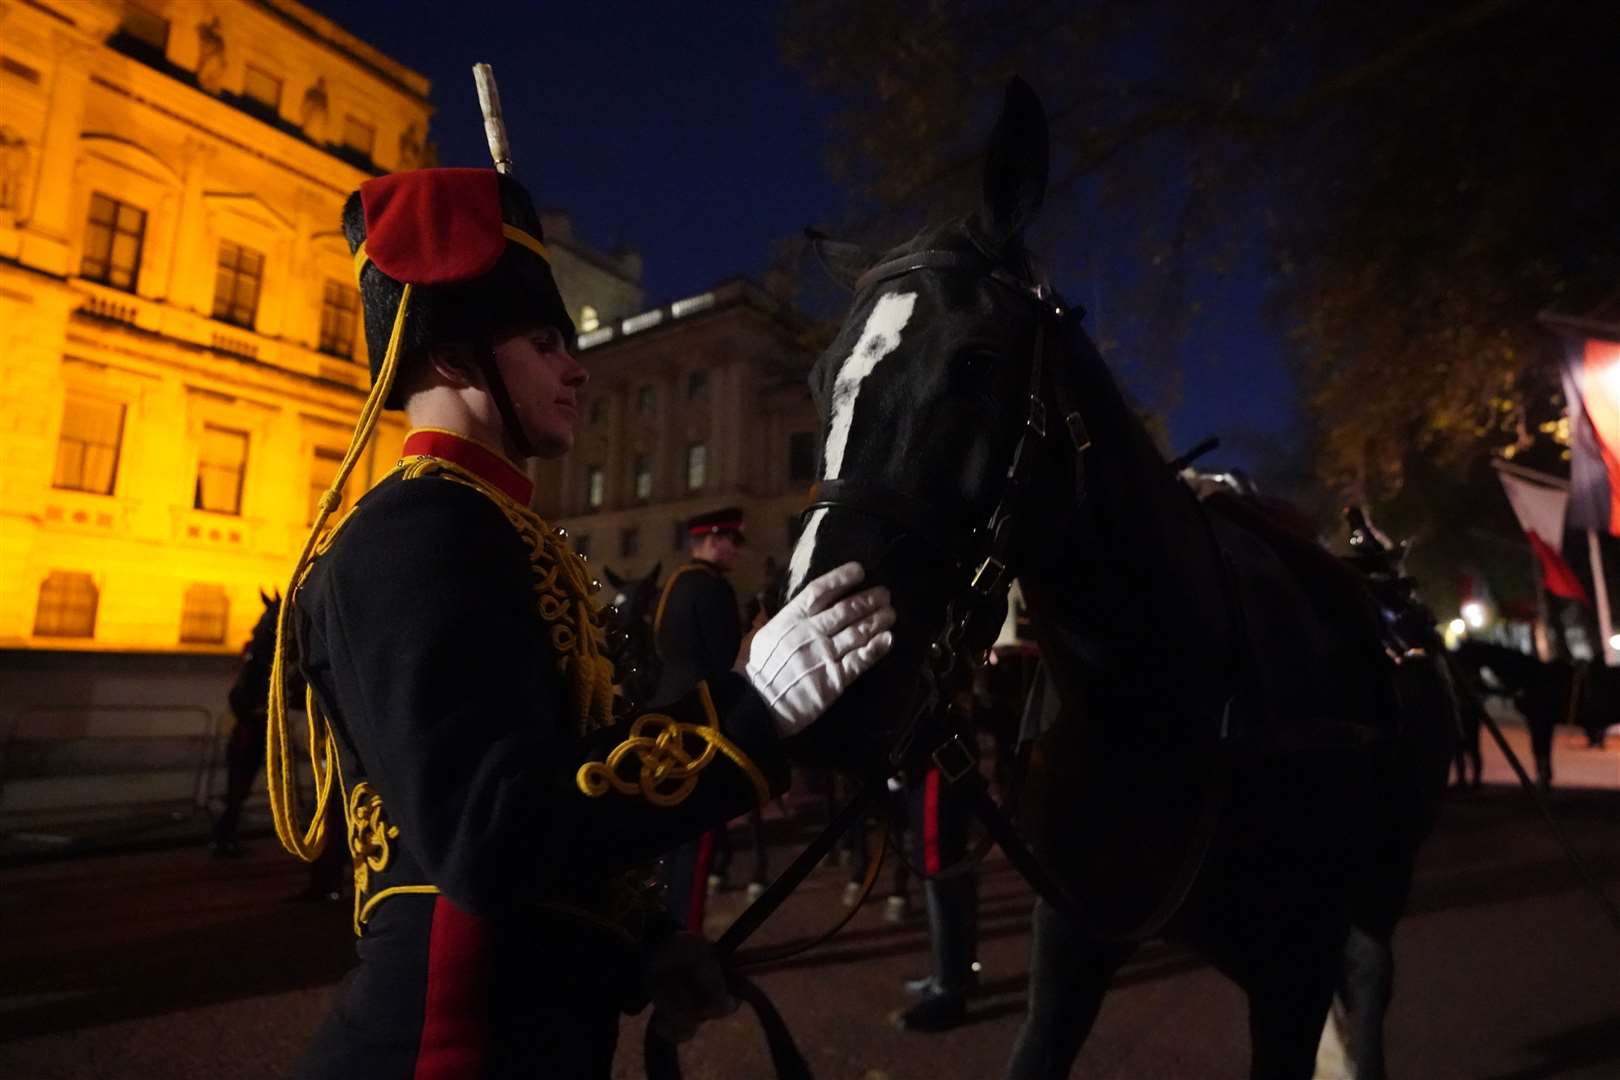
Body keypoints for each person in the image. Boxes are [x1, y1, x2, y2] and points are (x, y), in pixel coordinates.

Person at [266, 167, 896, 1078]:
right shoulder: (416, 531)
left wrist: (638, 944)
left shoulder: (491, 529)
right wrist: (746, 713)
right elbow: (485, 834)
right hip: (448, 1045)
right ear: (452, 355)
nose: (577, 366)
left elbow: (548, 793)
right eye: (542, 341)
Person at [652, 508, 769, 920]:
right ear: (713, 541)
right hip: (702, 723)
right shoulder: (713, 588)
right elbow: (727, 662)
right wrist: (755, 635)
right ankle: (688, 935)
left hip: (667, 716)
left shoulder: (677, 583)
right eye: (732, 542)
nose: (736, 551)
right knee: (695, 843)